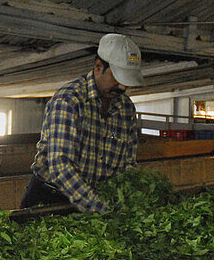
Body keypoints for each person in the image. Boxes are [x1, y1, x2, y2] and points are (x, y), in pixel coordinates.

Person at [20, 33, 142, 213]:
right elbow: (60, 166)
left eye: (126, 81)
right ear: (98, 67)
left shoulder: (126, 109)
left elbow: (128, 163)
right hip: (50, 200)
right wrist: (102, 209)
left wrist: (128, 198)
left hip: (94, 201)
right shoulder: (69, 100)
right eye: (117, 78)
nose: (122, 87)